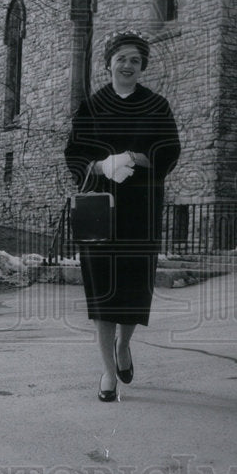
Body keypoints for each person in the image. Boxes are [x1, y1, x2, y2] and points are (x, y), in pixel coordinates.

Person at [65, 29, 181, 402]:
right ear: (109, 63)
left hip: (141, 208)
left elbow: (169, 152)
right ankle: (107, 372)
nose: (127, 65)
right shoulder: (92, 106)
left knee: (132, 289)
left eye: (135, 60)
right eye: (121, 58)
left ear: (142, 66)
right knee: (102, 291)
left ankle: (124, 345)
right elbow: (74, 155)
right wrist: (102, 165)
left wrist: (133, 158)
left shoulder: (157, 106)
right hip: (100, 209)